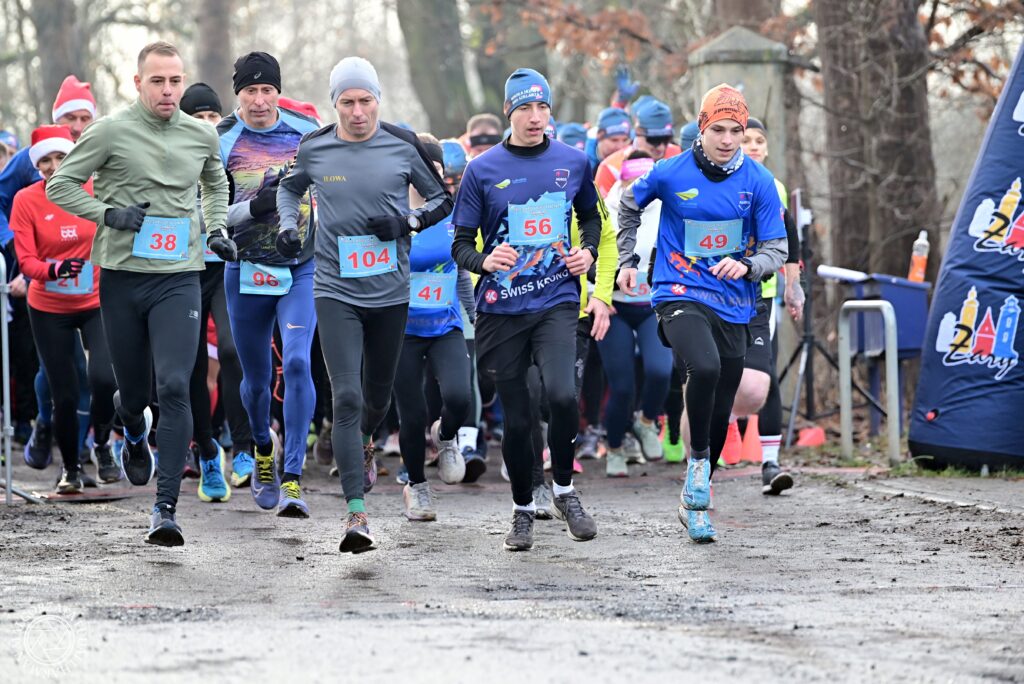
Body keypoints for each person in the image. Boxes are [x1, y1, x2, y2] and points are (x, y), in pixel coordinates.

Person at [48, 41, 233, 546]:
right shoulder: (109, 131)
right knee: (132, 393)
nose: (168, 90)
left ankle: (165, 509)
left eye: (175, 81)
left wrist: (216, 228)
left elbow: (216, 185)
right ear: (138, 83)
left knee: (174, 386)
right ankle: (132, 427)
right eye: (157, 81)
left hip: (179, 276)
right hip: (124, 278)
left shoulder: (201, 134)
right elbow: (60, 185)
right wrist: (108, 214)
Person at [277, 56, 452, 552]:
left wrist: (407, 223)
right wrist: (289, 226)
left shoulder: (402, 144)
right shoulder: (315, 147)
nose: (357, 112)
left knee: (377, 398)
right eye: (348, 102)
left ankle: (366, 440)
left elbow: (441, 200)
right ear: (335, 104)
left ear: (378, 100)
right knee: (347, 398)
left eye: (366, 101)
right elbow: (288, 190)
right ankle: (356, 515)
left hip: (390, 294)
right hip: (335, 290)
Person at [615, 84, 787, 543]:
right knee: (704, 367)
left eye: (736, 131)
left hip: (734, 300)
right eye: (718, 130)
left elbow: (777, 248)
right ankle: (696, 470)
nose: (727, 140)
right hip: (678, 290)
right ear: (701, 127)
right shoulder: (670, 171)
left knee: (722, 400)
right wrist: (628, 260)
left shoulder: (758, 181)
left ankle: (697, 494)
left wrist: (749, 265)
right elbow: (628, 205)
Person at [451, 68, 602, 552]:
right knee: (517, 421)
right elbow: (460, 245)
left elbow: (591, 217)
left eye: (542, 107)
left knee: (561, 396)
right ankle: (521, 511)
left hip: (557, 299)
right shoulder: (481, 170)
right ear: (508, 112)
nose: (535, 117)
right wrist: (484, 260)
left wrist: (588, 253)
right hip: (502, 310)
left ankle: (565, 491)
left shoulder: (574, 161)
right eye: (525, 108)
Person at [217, 52, 319, 516]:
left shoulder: (306, 132)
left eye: (267, 90)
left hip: (300, 268)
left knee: (297, 362)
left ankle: (293, 475)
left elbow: (329, 189)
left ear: (278, 91)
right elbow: (205, 212)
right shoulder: (221, 138)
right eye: (249, 91)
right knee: (257, 382)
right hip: (246, 270)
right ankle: (262, 448)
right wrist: (255, 208)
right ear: (237, 93)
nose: (259, 100)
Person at [11, 125, 119, 491]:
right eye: (46, 160)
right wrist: (53, 270)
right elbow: (26, 261)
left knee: (104, 379)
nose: (54, 166)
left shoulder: (95, 189)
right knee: (65, 393)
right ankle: (70, 469)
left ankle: (102, 444)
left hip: (96, 300)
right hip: (49, 306)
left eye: (61, 157)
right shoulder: (26, 200)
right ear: (36, 165)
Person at [2, 76, 98, 463]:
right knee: (60, 367)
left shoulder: (100, 154)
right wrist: (19, 254)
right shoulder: (31, 159)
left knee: (92, 372)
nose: (77, 126)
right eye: (69, 118)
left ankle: (87, 442)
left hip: (92, 283)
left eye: (84, 118)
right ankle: (45, 422)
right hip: (41, 278)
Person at [393, 134, 476, 520]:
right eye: (425, 168)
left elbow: (461, 270)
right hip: (402, 331)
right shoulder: (393, 212)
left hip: (446, 324)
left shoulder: (454, 213)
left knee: (460, 397)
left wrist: (475, 314)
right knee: (411, 414)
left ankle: (444, 436)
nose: (433, 176)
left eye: (438, 169)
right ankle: (417, 487)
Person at [179, 81, 255, 501]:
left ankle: (242, 446)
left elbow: (247, 208)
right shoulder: (171, 160)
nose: (208, 124)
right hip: (185, 272)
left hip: (226, 268)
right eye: (199, 117)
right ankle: (206, 450)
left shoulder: (231, 160)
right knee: (192, 364)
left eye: (213, 116)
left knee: (231, 349)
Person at [725, 116, 802, 495]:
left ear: (767, 148)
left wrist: (793, 286)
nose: (753, 146)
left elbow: (789, 239)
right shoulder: (719, 181)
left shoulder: (775, 186)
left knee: (764, 372)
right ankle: (712, 443)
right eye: (747, 140)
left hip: (761, 292)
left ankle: (771, 463)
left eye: (759, 140)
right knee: (722, 369)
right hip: (718, 291)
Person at [598, 150, 673, 476]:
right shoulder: (607, 209)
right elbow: (591, 256)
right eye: (633, 181)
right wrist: (599, 294)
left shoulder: (666, 208)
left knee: (660, 371)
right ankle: (615, 448)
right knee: (622, 386)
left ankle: (646, 421)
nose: (639, 188)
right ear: (623, 181)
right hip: (614, 307)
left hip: (651, 306)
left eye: (646, 182)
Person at [595, 99, 681, 197]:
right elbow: (600, 206)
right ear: (638, 134)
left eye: (666, 139)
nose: (661, 147)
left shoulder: (680, 155)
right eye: (654, 140)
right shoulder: (611, 167)